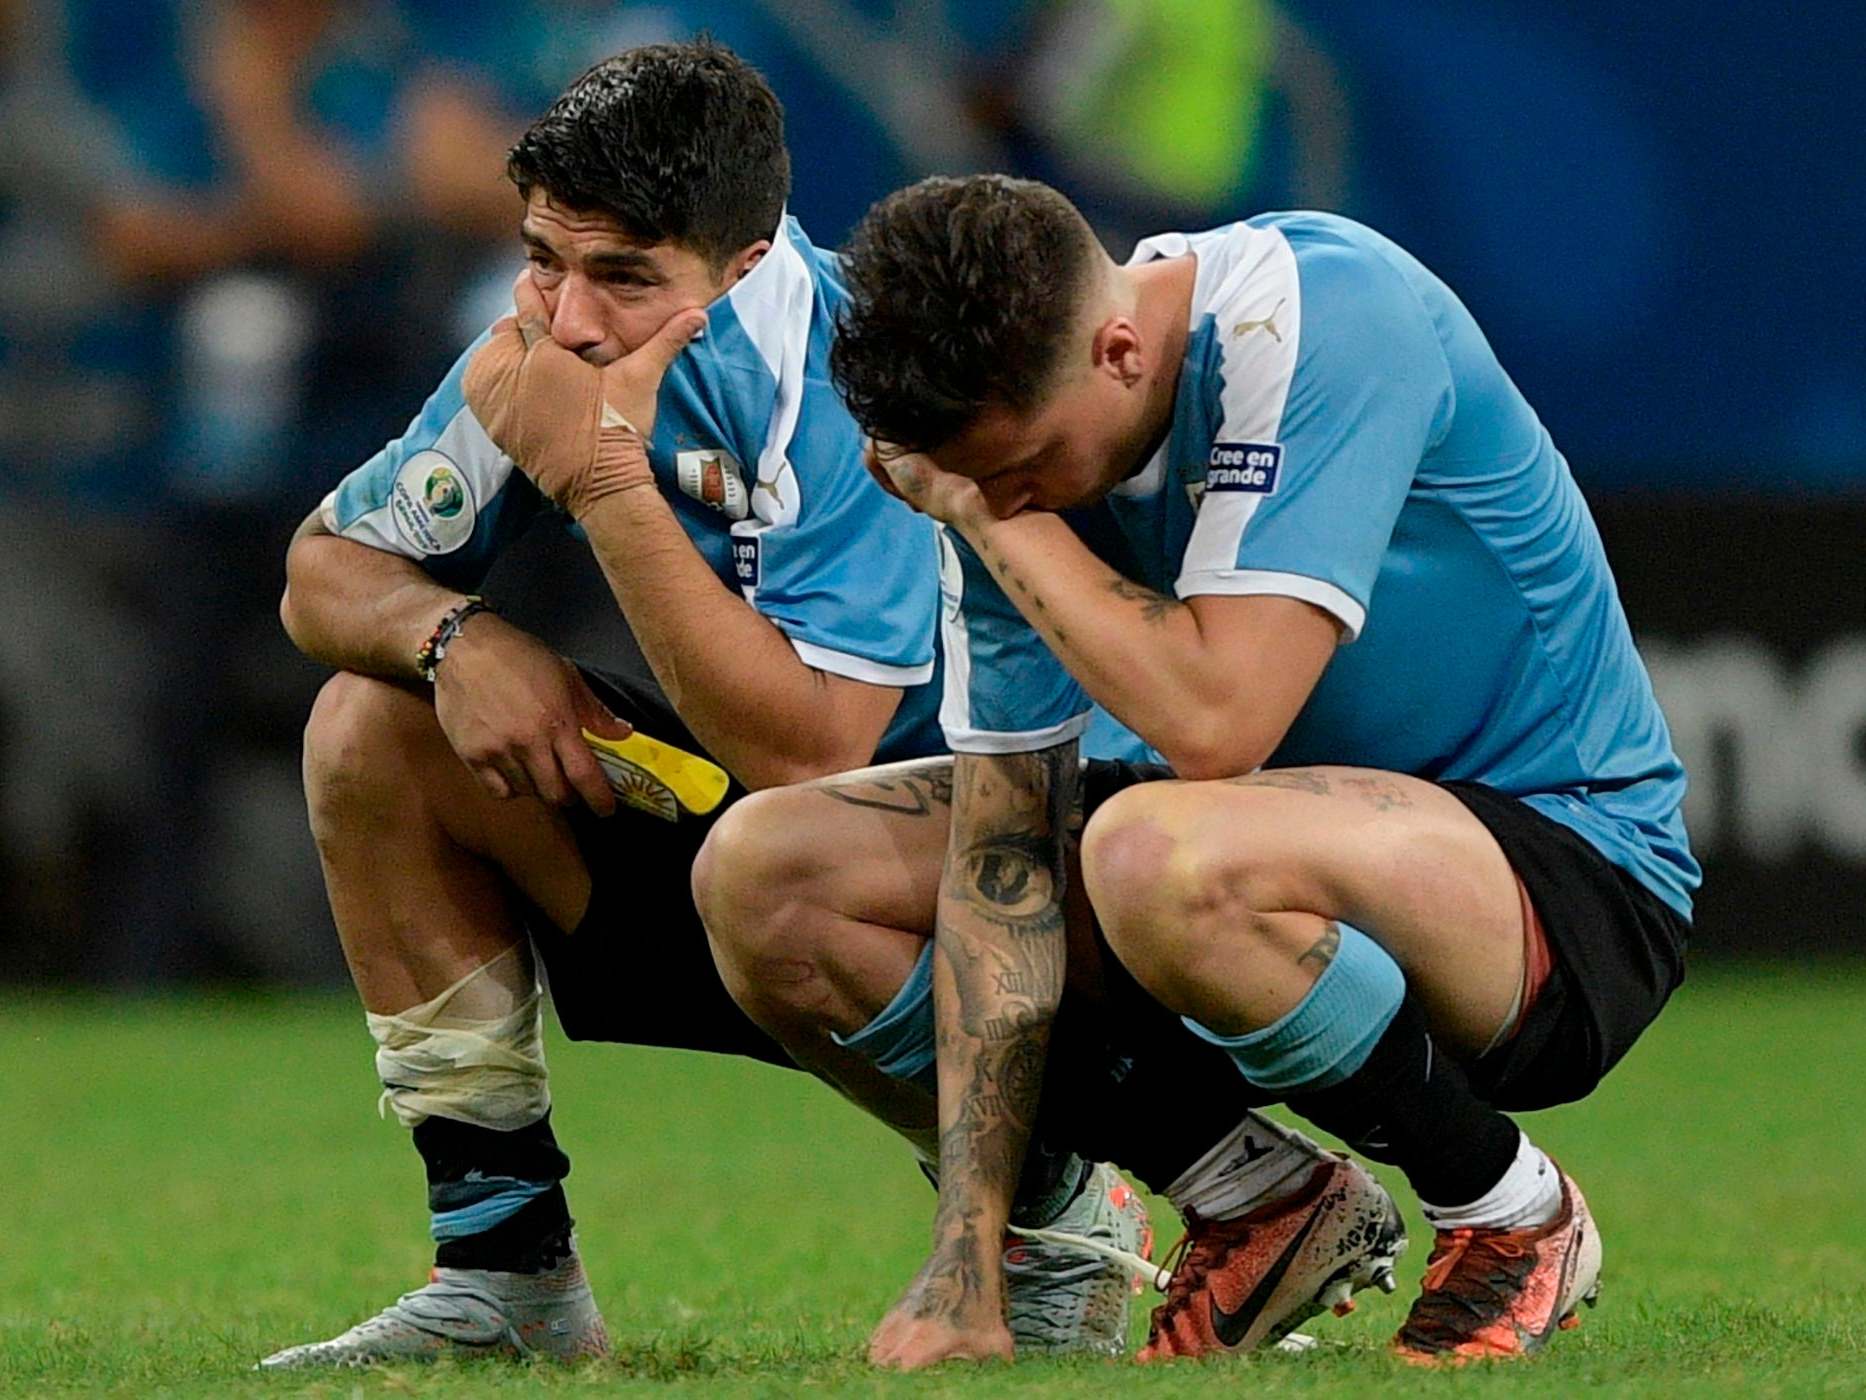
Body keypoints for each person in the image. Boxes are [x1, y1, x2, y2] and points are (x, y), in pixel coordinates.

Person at [264, 42, 1301, 1370]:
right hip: (770, 867)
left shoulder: (856, 386)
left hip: (1024, 890)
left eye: (624, 277)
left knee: (772, 860)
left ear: (743, 264)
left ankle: (1065, 1211)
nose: (569, 317)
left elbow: (807, 750)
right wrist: (448, 632)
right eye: (544, 257)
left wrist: (599, 483)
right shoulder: (540, 347)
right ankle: (503, 1271)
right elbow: (320, 572)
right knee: (371, 726)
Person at [696, 173, 1697, 1368]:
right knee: (770, 872)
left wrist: (987, 514)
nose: (1012, 503)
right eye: (985, 482)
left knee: (1153, 850)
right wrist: (966, 1259)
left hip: (1557, 871)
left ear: (1119, 348)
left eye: (1025, 471)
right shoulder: (1008, 454)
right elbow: (1001, 860)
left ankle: (1506, 1208)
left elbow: (1221, 721)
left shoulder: (1323, 317)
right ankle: (1256, 1195)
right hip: (1234, 859)